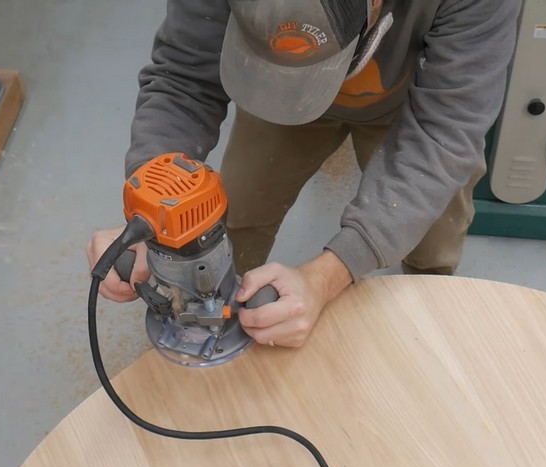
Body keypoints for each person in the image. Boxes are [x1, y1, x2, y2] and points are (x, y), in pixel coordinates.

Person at [87, 0, 521, 347]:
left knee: (431, 241)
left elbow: (443, 134)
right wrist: (154, 211)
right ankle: (215, 317)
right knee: (231, 220)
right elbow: (183, 79)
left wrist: (327, 275)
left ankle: (431, 336)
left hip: (412, 101)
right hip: (273, 81)